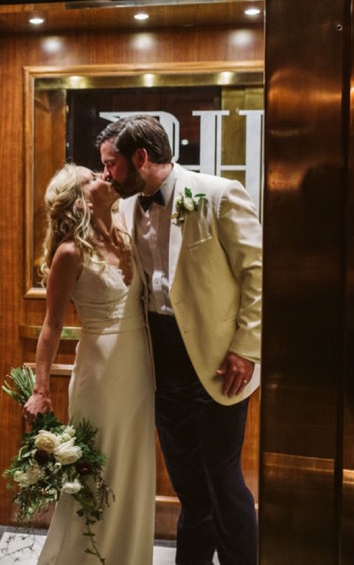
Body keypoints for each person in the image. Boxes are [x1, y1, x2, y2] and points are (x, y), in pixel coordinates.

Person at [96, 114, 262, 565]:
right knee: (188, 485)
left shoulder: (218, 194)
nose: (106, 176)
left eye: (112, 165)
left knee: (223, 481)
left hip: (217, 361)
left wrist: (246, 348)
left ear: (142, 157)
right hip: (160, 361)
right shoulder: (128, 207)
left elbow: (258, 274)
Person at [23, 163, 156, 565]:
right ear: (80, 199)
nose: (104, 176)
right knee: (98, 471)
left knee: (133, 468)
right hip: (99, 375)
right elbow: (52, 325)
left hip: (139, 367)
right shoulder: (70, 252)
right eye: (92, 177)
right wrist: (41, 389)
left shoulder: (127, 232)